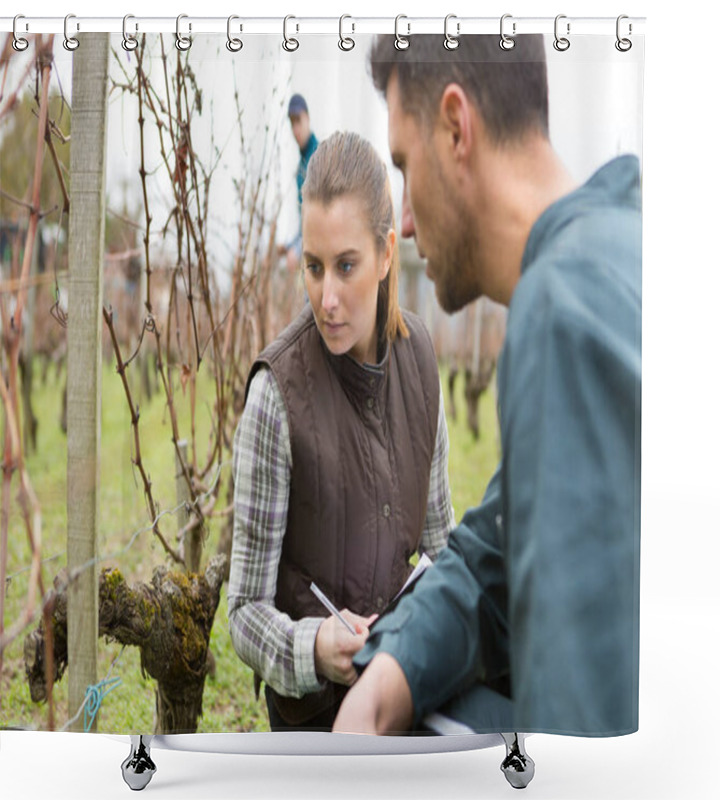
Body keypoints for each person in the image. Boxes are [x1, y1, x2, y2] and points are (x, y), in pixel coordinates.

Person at [333, 34, 642, 736]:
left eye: (406, 168)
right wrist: (390, 675)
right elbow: (497, 546)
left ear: (456, 126)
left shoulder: (559, 313)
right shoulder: (619, 249)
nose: (404, 223)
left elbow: (580, 738)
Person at [228, 130, 456, 731]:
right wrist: (313, 648)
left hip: (407, 695)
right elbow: (244, 610)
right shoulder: (276, 396)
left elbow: (441, 548)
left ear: (385, 255)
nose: (326, 298)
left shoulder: (422, 366)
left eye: (346, 266)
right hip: (315, 727)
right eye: (313, 267)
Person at [277, 93, 318, 273]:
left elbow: (319, 218)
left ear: (308, 118)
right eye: (292, 123)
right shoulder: (300, 167)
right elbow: (305, 222)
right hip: (307, 249)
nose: (296, 129)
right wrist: (289, 245)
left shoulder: (319, 158)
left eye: (299, 121)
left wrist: (297, 248)